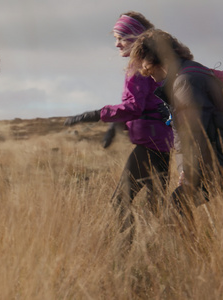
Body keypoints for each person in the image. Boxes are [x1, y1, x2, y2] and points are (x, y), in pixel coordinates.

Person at [127, 29, 223, 230]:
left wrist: (188, 172)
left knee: (176, 206)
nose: (151, 78)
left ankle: (189, 257)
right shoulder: (193, 72)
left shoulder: (186, 81)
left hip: (221, 160)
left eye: (150, 70)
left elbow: (193, 131)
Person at [64, 12, 174, 241]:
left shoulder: (138, 68)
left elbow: (134, 106)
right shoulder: (155, 64)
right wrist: (116, 126)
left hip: (149, 145)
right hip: (164, 142)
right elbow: (149, 104)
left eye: (121, 38)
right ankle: (160, 252)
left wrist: (95, 115)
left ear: (135, 39)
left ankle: (125, 253)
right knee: (156, 204)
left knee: (120, 201)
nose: (117, 44)